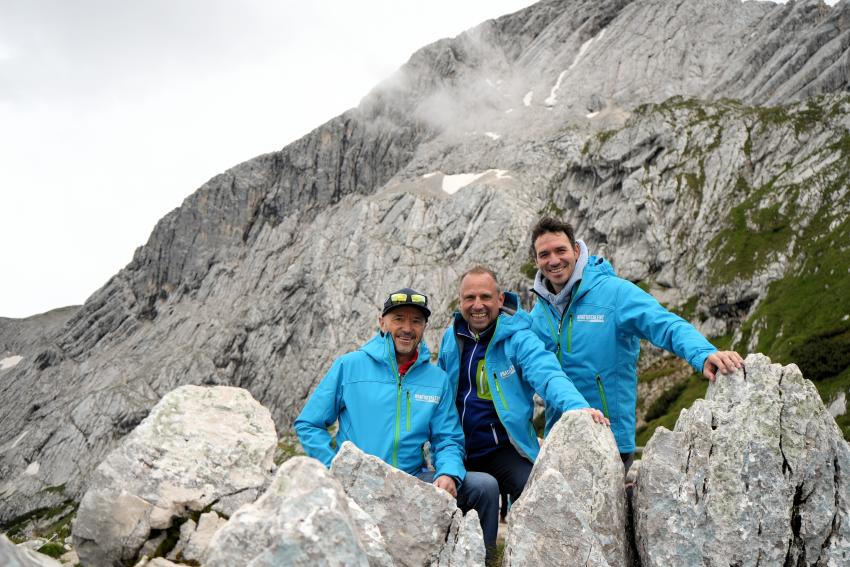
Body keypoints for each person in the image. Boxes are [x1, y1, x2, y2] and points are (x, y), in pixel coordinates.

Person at [294, 287, 500, 560]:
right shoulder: (349, 366)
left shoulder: (435, 379)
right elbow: (309, 423)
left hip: (412, 479)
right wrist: (335, 467)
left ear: (425, 326)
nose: (407, 328)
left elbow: (448, 438)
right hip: (359, 482)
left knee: (485, 487)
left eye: (416, 321)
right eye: (398, 319)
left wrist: (448, 473)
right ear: (382, 322)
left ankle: (482, 561)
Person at [527, 217, 744, 470]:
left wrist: (704, 353)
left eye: (560, 250)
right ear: (536, 261)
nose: (553, 260)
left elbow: (664, 324)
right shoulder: (539, 314)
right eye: (544, 254)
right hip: (560, 438)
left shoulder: (614, 293)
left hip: (611, 439)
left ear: (576, 250)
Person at [438, 267, 608, 511]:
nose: (478, 305)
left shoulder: (518, 338)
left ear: (500, 299)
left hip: (504, 448)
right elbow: (440, 394)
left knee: (536, 494)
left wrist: (577, 406)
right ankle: (481, 550)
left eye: (485, 297)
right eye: (470, 298)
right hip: (457, 447)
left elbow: (547, 374)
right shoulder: (450, 338)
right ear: (460, 301)